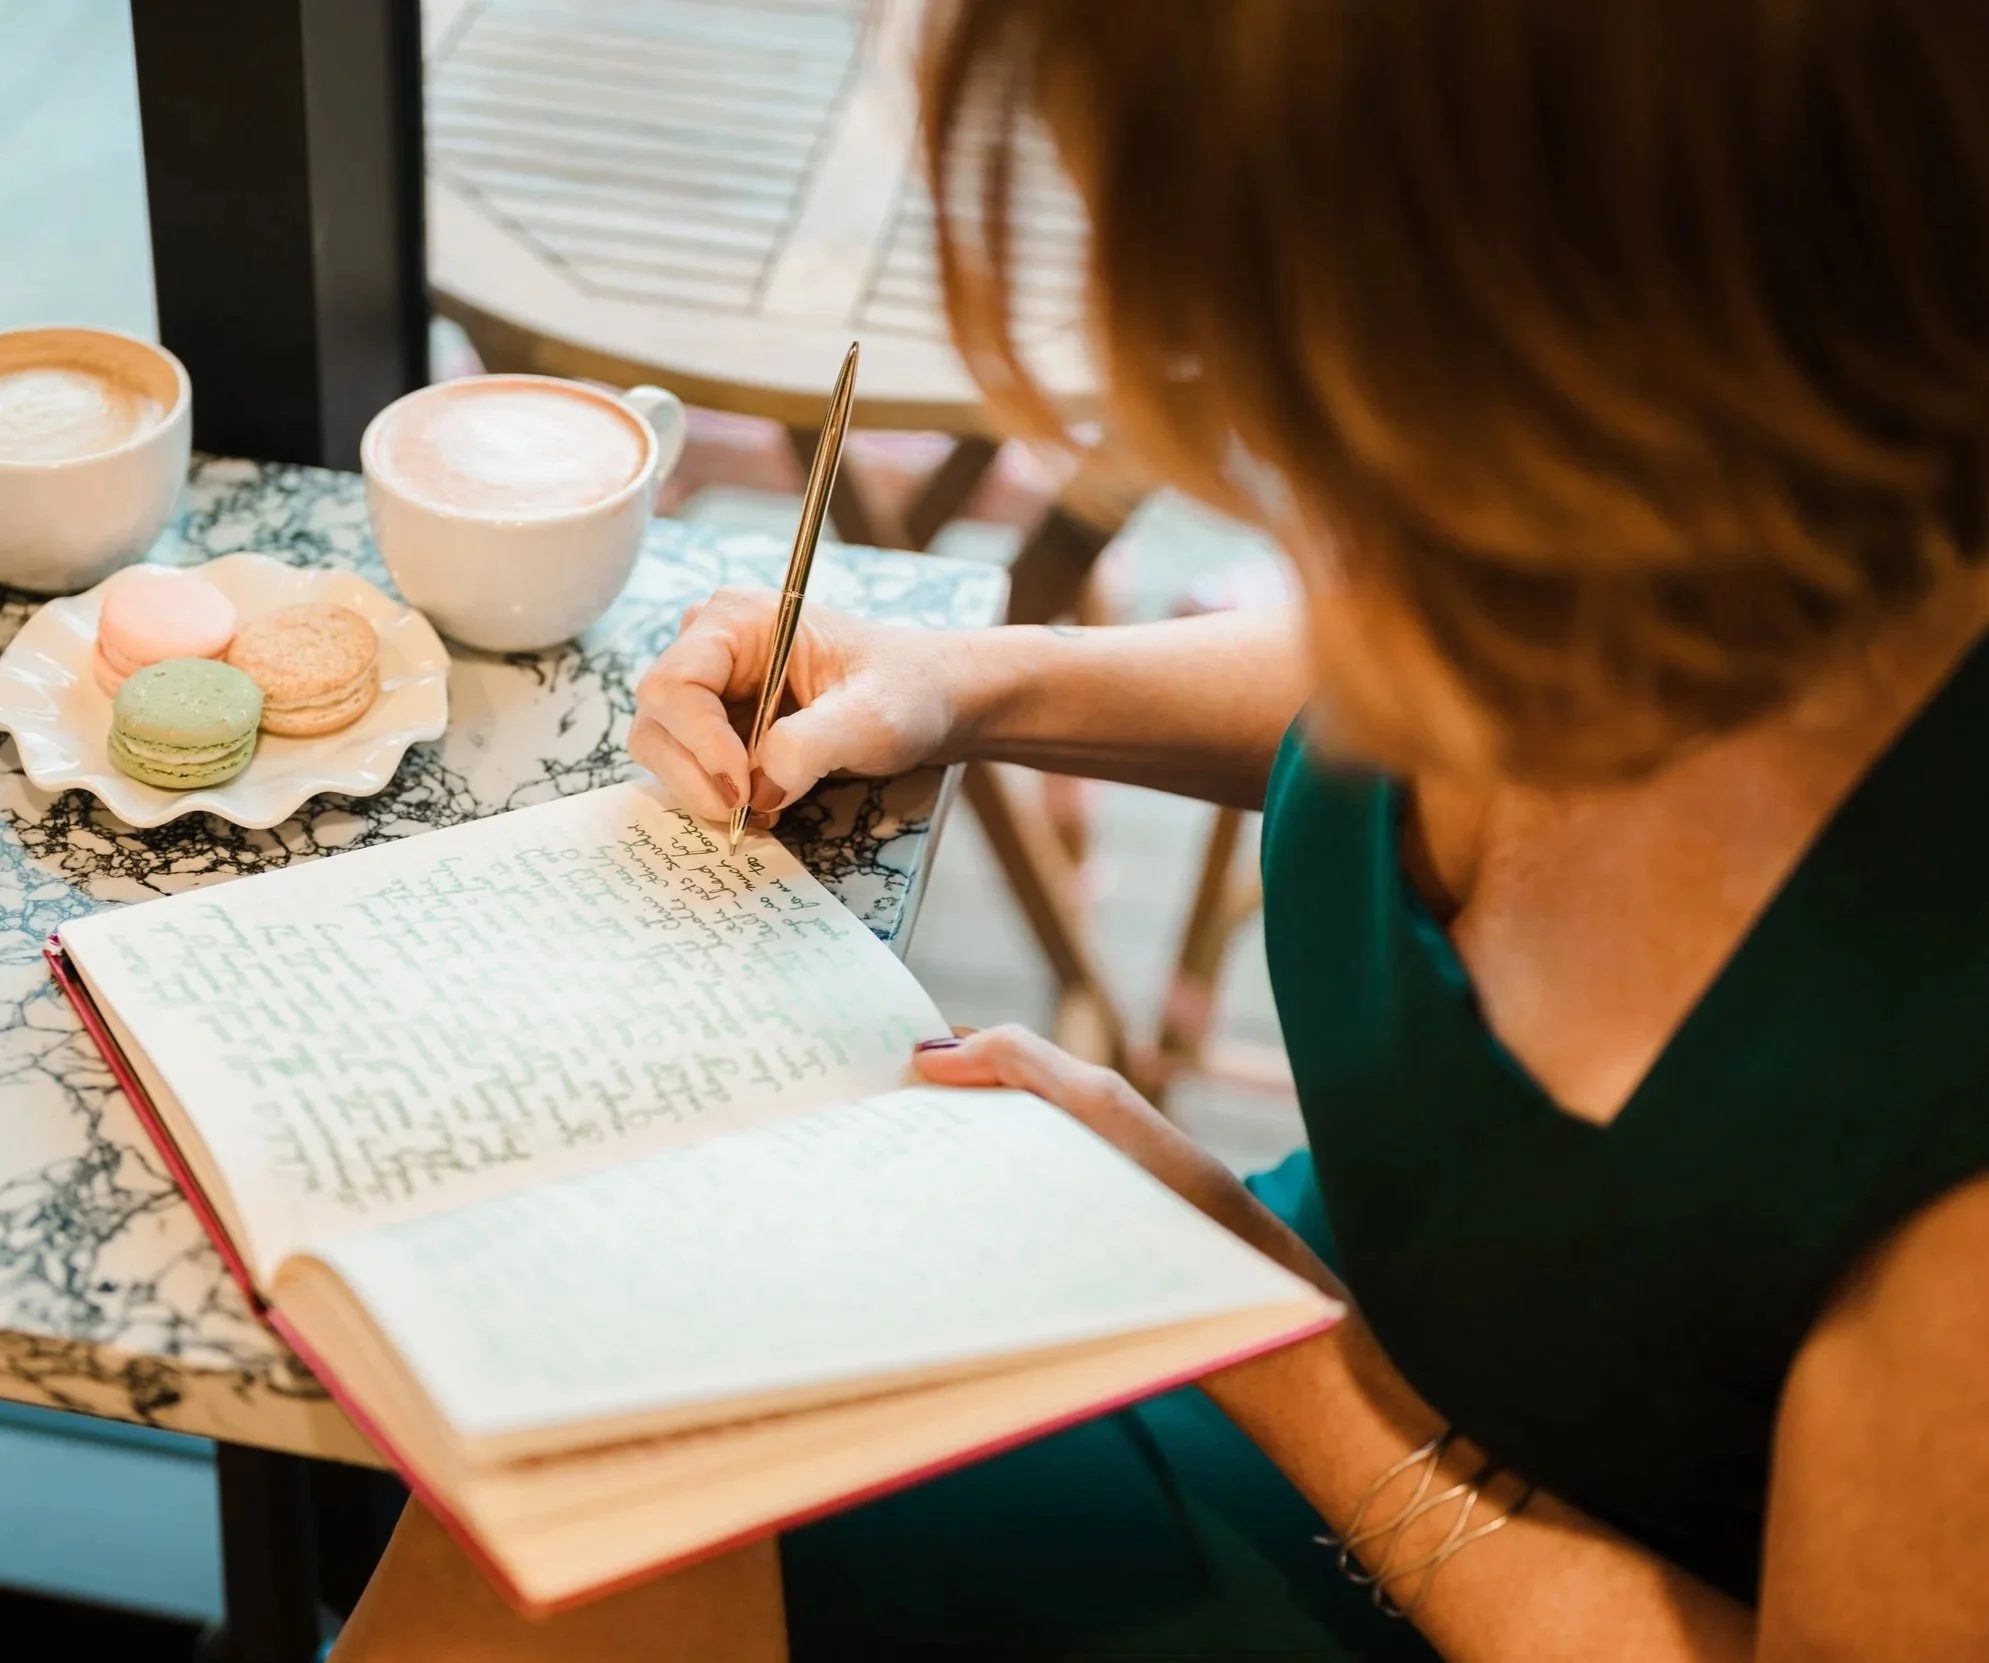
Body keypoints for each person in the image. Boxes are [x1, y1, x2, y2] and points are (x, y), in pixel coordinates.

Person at [330, 1, 1989, 1657]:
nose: (1290, 486)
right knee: (560, 1481)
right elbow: (1415, 684)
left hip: (1506, 1554)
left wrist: (1253, 1312)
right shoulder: (1604, 561)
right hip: (1308, 1344)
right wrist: (968, 676)